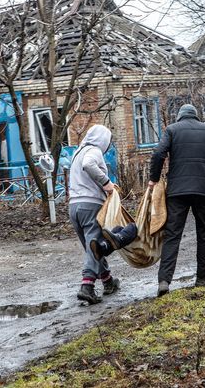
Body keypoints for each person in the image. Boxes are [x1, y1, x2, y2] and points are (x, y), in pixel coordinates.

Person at [149, 104, 205, 296]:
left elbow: (158, 153)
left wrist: (154, 178)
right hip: (203, 190)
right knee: (204, 233)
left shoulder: (172, 130)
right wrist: (204, 172)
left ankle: (164, 281)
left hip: (177, 192)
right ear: (196, 116)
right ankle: (202, 278)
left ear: (180, 117)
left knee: (172, 235)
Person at [68, 124, 122, 304]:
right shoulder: (94, 151)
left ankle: (107, 281)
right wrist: (107, 184)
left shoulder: (77, 152)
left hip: (74, 206)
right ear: (103, 140)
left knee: (92, 248)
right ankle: (87, 287)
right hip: (90, 204)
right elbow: (89, 165)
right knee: (94, 246)